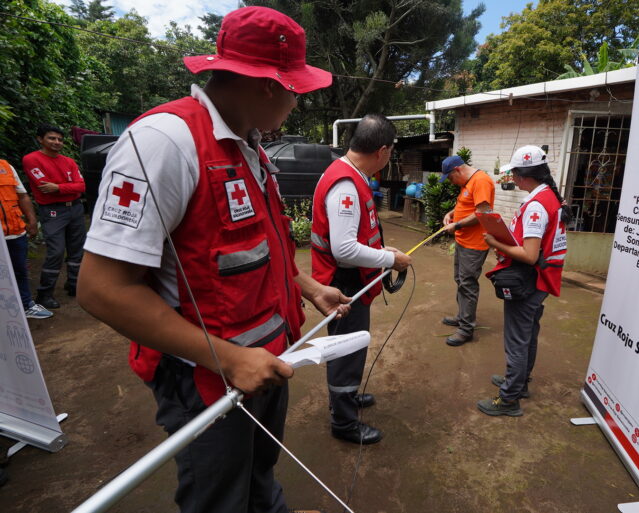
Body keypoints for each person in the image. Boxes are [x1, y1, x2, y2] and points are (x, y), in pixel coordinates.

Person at [77, 7, 350, 513]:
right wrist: (229, 359)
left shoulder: (250, 149)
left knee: (259, 476)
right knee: (219, 498)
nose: (297, 101)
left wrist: (307, 288)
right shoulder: (164, 143)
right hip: (209, 378)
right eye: (296, 89)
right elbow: (102, 288)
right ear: (269, 86)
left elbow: (257, 247)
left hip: (267, 364)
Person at [311, 114, 411, 445]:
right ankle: (343, 421)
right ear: (382, 150)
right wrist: (390, 259)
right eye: (391, 152)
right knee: (346, 351)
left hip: (351, 280)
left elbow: (357, 236)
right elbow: (343, 249)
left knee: (353, 346)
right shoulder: (346, 184)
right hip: (343, 282)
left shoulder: (349, 175)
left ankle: (347, 397)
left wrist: (383, 248)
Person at [477, 145, 569, 417]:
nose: (512, 178)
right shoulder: (549, 197)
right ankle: (520, 382)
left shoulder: (536, 207)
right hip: (542, 279)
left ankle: (509, 399)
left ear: (522, 175)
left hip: (529, 281)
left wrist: (495, 242)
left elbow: (529, 255)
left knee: (517, 340)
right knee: (528, 334)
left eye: (514, 173)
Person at [22, 124, 86, 309]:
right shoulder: (31, 159)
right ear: (40, 139)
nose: (56, 142)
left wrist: (58, 187)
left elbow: (81, 187)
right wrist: (67, 187)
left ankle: (73, 284)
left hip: (75, 208)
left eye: (59, 139)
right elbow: (44, 187)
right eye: (51, 138)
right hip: (52, 211)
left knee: (77, 250)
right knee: (56, 251)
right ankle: (45, 293)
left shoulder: (69, 161)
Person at [439, 155, 495, 346]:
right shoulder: (468, 183)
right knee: (460, 280)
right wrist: (450, 214)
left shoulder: (481, 181)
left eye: (451, 178)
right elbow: (466, 206)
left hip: (475, 244)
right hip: (463, 241)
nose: (452, 183)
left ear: (457, 171)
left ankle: (466, 329)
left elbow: (483, 212)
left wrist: (458, 225)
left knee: (468, 284)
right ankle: (463, 316)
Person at [0, 158, 53, 319]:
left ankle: (26, 304)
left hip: (15, 232)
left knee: (20, 270)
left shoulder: (5, 166)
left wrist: (31, 220)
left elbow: (22, 196)